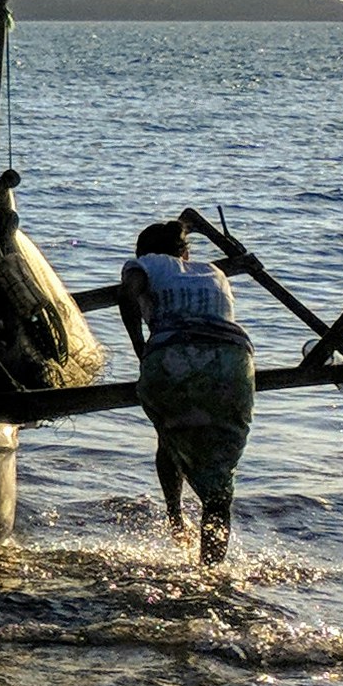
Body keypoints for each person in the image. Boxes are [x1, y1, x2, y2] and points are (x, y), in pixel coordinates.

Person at [114, 220, 258, 563]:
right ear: (186, 252)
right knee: (220, 484)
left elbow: (127, 295)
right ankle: (211, 572)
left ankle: (175, 516)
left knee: (170, 434)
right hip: (233, 363)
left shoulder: (147, 264)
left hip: (173, 358)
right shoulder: (213, 272)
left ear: (143, 252)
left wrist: (141, 348)